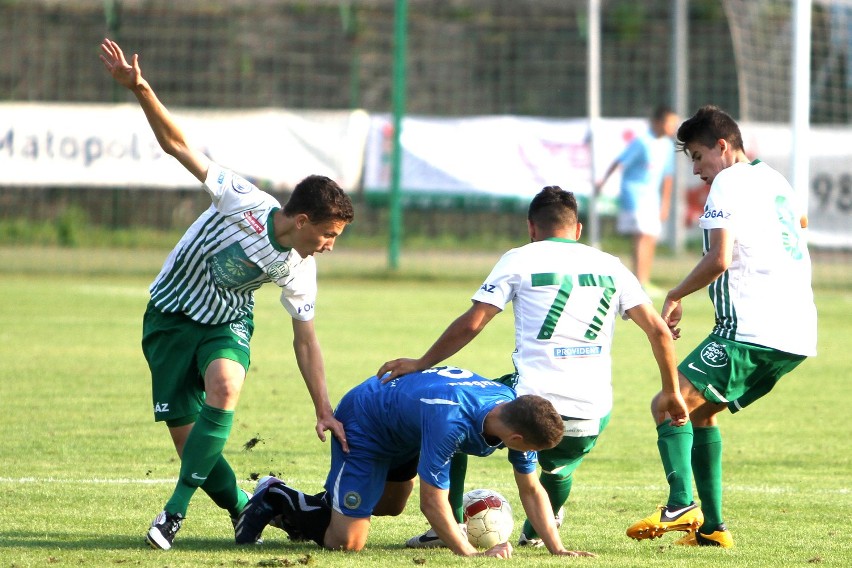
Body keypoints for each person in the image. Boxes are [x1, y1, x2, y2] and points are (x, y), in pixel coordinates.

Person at [98, 38, 355, 550]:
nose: (329, 247)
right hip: (169, 317)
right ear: (302, 220)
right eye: (328, 235)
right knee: (190, 441)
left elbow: (306, 340)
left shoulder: (300, 268)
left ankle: (173, 513)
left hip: (225, 323)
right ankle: (244, 507)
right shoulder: (242, 200)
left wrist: (323, 407)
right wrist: (141, 87)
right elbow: (178, 146)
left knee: (226, 388)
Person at [377, 186, 688, 548]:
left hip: (528, 399)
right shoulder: (610, 265)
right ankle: (542, 522)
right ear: (579, 230)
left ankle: (448, 526)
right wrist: (671, 392)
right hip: (591, 412)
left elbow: (473, 322)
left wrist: (421, 362)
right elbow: (660, 333)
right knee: (557, 470)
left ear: (531, 228)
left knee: (456, 416)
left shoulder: (519, 258)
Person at [626, 105, 817, 548]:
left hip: (752, 329)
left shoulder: (728, 182)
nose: (695, 168)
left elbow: (719, 259)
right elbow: (799, 223)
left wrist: (673, 294)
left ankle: (680, 504)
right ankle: (713, 528)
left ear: (722, 147)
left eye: (697, 156)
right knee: (703, 412)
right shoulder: (773, 179)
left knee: (669, 403)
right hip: (796, 332)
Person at [235, 365, 595, 558]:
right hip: (367, 423)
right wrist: (469, 554)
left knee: (390, 507)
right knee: (347, 543)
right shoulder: (451, 422)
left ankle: (331, 508)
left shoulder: (512, 410)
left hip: (407, 430)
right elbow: (432, 501)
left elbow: (531, 489)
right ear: (516, 440)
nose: (528, 455)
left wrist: (558, 548)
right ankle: (276, 495)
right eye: (529, 449)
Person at [596, 105, 679, 290]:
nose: (673, 127)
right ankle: (639, 281)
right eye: (670, 123)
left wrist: (665, 204)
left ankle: (645, 280)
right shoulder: (642, 142)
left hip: (652, 199)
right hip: (634, 195)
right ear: (657, 122)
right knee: (641, 236)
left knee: (650, 237)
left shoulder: (666, 146)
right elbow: (620, 160)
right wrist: (603, 182)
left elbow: (667, 176)